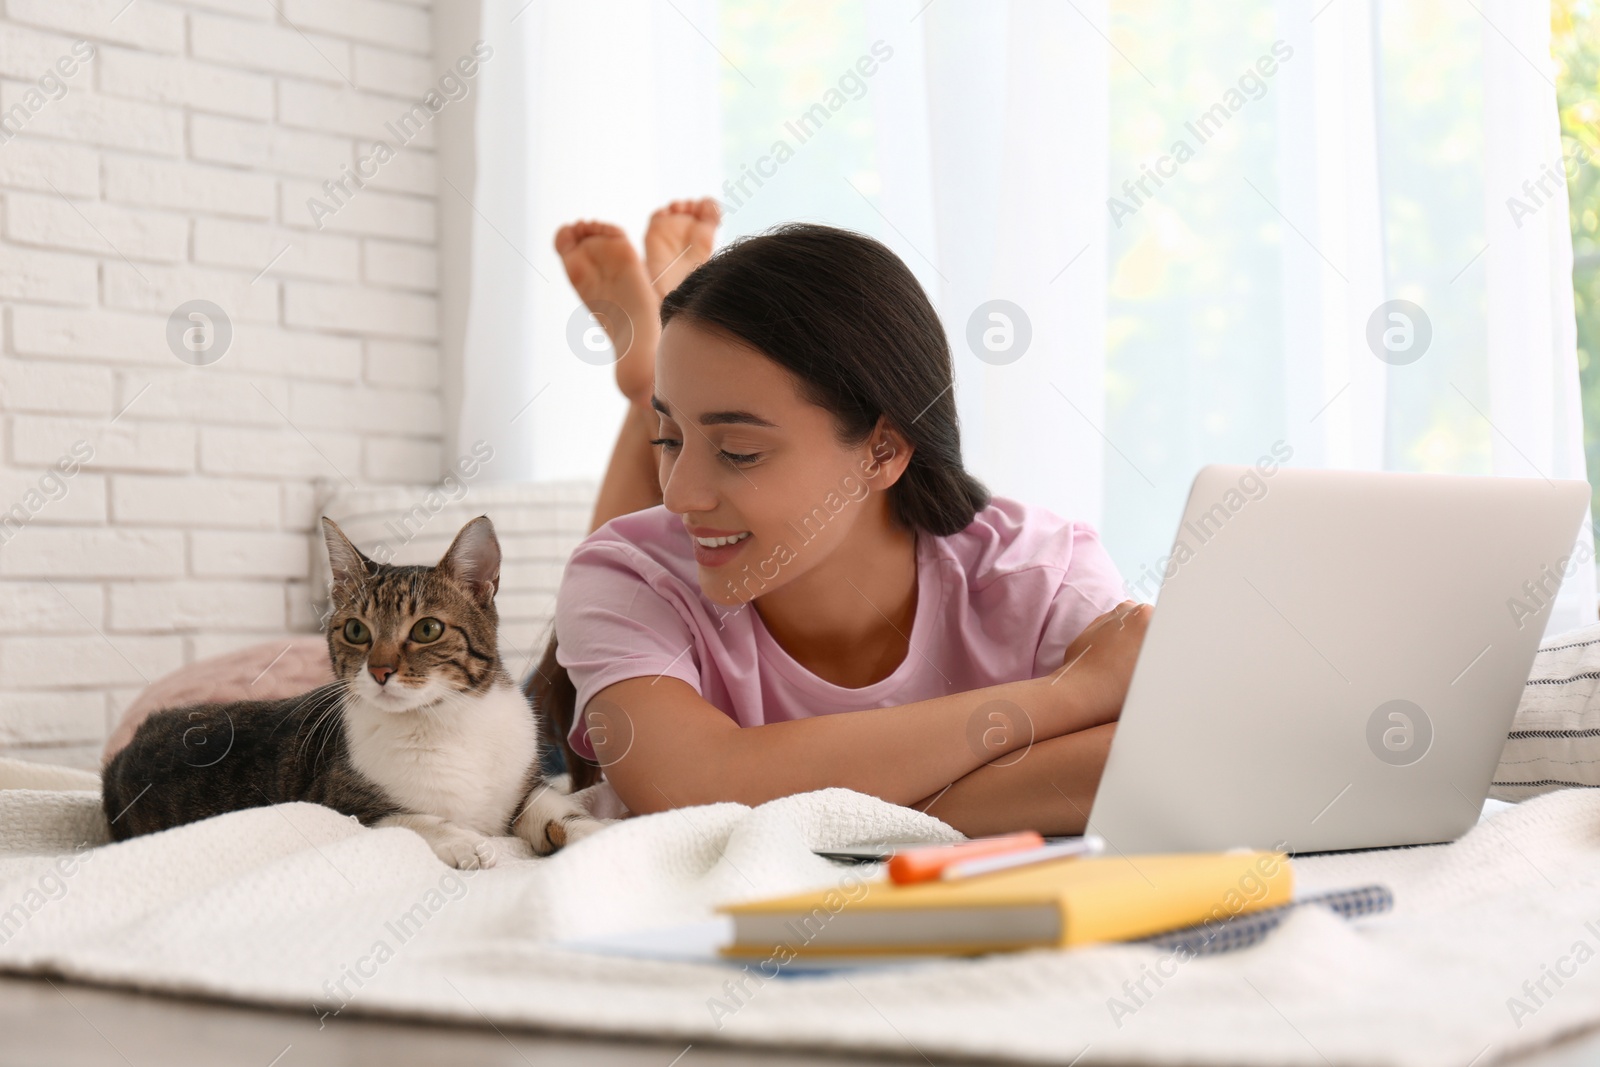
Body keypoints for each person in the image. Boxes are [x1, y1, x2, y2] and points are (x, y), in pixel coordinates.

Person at [526, 201, 1151, 837]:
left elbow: (1147, 765)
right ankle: (649, 382)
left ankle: (656, 379)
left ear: (882, 450)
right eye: (668, 440)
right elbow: (686, 786)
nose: (680, 496)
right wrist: (1072, 694)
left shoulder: (1040, 574)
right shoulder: (624, 574)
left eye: (740, 452)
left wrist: (834, 805)